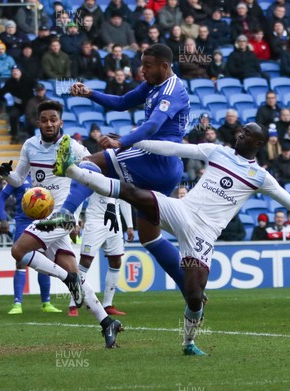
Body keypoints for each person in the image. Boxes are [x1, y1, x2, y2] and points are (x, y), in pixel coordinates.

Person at [47, 123, 290, 355]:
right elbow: (172, 149)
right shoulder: (216, 150)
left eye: (246, 133)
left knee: (194, 295)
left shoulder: (260, 176)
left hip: (204, 235)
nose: (240, 135)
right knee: (132, 193)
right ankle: (72, 168)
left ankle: (188, 342)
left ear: (258, 143)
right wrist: (130, 141)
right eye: (241, 131)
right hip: (181, 211)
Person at [26, 44, 191, 304]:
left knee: (90, 163)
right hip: (164, 167)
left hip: (156, 160)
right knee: (150, 237)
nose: (142, 70)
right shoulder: (153, 84)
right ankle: (191, 290)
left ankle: (65, 214)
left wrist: (121, 142)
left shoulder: (173, 90)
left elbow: (153, 125)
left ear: (164, 66)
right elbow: (123, 102)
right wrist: (89, 93)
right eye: (142, 64)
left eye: (147, 65)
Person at [0, 100, 124, 348]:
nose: (48, 123)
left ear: (61, 122)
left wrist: (108, 203)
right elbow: (19, 179)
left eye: (53, 119)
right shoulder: (30, 146)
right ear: (38, 122)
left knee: (18, 251)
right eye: (44, 119)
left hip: (63, 217)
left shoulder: (73, 148)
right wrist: (6, 175)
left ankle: (68, 279)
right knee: (77, 276)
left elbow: (96, 172)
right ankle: (107, 322)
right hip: (42, 216)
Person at [0, 176, 61, 314]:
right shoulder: (18, 178)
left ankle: (46, 303)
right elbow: (1, 198)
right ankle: (17, 304)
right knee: (20, 262)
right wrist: (3, 219)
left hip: (42, 223)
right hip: (23, 224)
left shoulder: (45, 176)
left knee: (44, 261)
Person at [72, 175, 135, 317]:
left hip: (114, 222)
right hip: (95, 221)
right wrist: (75, 221)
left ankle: (107, 304)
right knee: (85, 262)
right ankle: (73, 302)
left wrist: (129, 225)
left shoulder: (119, 173)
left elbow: (125, 199)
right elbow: (80, 196)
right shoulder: (94, 172)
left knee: (116, 261)